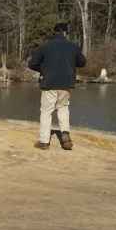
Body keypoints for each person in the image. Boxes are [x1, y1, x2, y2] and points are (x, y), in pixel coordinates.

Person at [27, 23, 86, 151]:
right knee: (63, 108)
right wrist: (71, 63)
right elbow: (82, 63)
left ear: (54, 33)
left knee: (46, 112)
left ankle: (44, 142)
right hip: (67, 82)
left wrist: (43, 69)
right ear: (65, 33)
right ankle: (65, 133)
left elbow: (31, 63)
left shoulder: (44, 46)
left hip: (49, 82)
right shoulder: (73, 46)